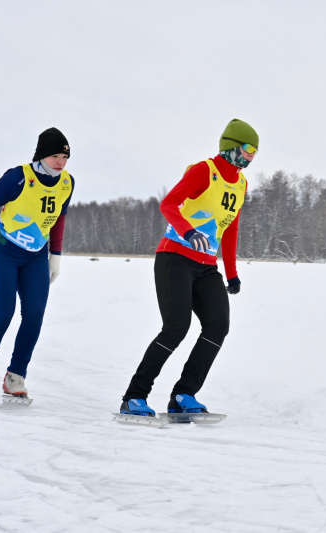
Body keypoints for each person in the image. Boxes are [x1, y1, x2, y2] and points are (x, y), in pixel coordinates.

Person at [119, 118, 258, 417]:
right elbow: (169, 204)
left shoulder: (241, 184)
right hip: (175, 258)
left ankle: (183, 395)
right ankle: (134, 397)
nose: (250, 156)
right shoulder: (204, 171)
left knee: (218, 326)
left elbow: (230, 228)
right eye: (247, 149)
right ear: (232, 146)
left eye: (255, 152)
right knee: (176, 328)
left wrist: (231, 272)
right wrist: (188, 231)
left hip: (207, 266)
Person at [0, 127, 74, 403]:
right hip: (5, 251)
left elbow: (59, 218)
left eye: (65, 157)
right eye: (55, 156)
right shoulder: (18, 177)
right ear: (42, 155)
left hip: (35, 257)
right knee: (3, 312)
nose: (61, 162)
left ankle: (16, 375)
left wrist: (56, 254)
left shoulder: (67, 182)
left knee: (34, 314)